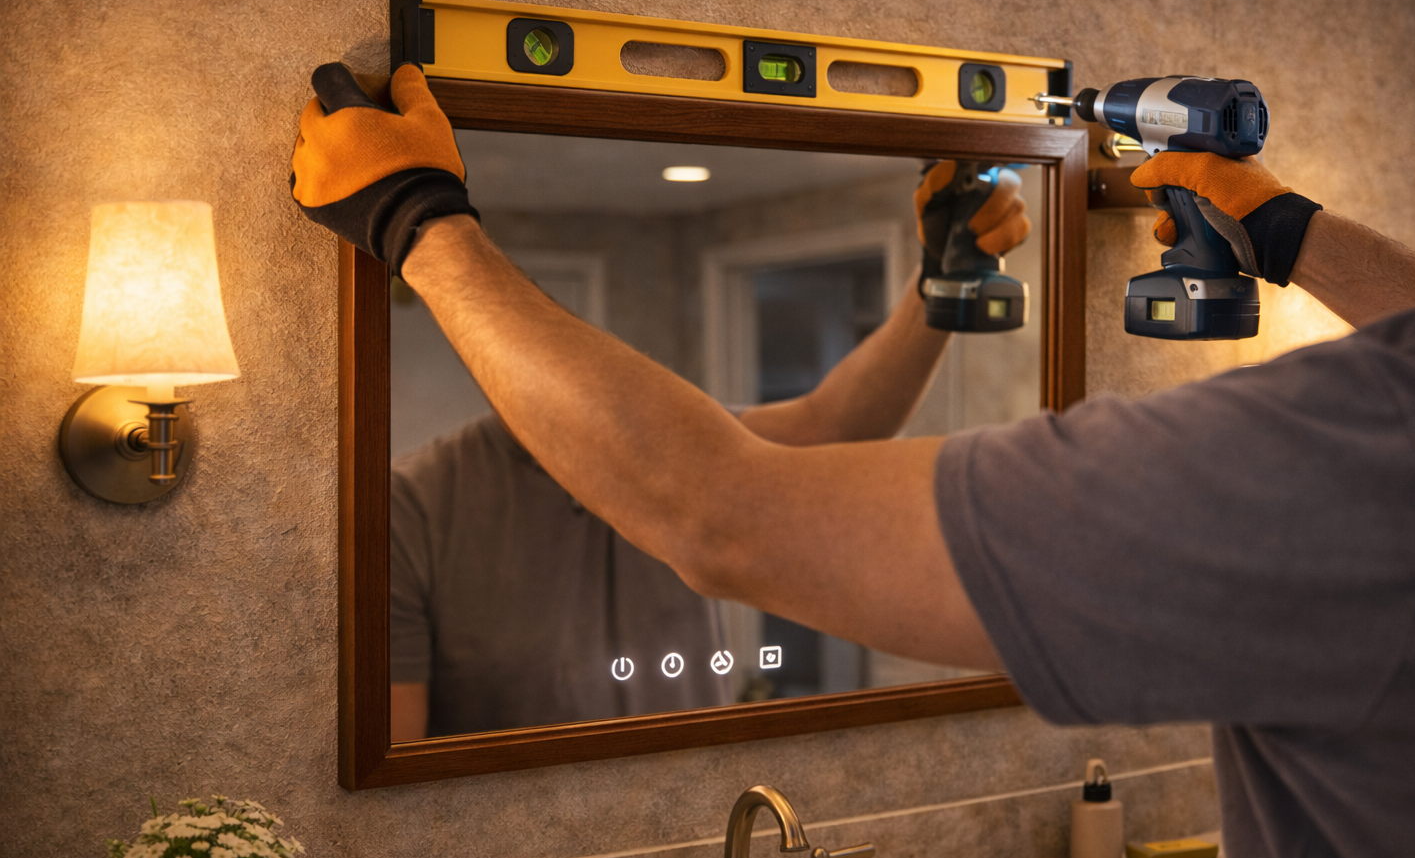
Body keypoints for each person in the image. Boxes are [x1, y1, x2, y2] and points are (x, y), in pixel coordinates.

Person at [293, 64, 1415, 858]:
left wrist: (416, 222)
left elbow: (732, 499)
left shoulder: (1368, 459)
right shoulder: (417, 507)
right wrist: (1295, 232)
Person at [389, 255, 1022, 739]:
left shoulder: (673, 460)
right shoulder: (413, 505)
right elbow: (398, 760)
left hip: (698, 809)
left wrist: (938, 278)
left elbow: (835, 425)